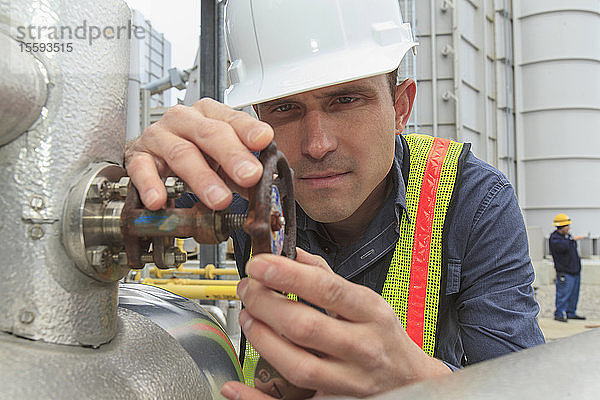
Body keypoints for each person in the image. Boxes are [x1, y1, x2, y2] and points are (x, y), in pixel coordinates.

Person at [124, 0, 544, 398]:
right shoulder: (242, 186)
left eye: (346, 100)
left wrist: (421, 384)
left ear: (401, 108)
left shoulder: (475, 202)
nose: (317, 144)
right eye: (284, 107)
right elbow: (98, 227)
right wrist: (137, 177)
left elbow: (527, 387)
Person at [549, 213, 586, 322]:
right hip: (565, 272)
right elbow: (563, 247)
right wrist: (571, 240)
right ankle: (559, 313)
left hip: (575, 270)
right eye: (567, 226)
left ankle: (571, 312)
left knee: (574, 294)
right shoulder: (555, 239)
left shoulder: (568, 237)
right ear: (561, 226)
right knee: (563, 293)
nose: (569, 228)